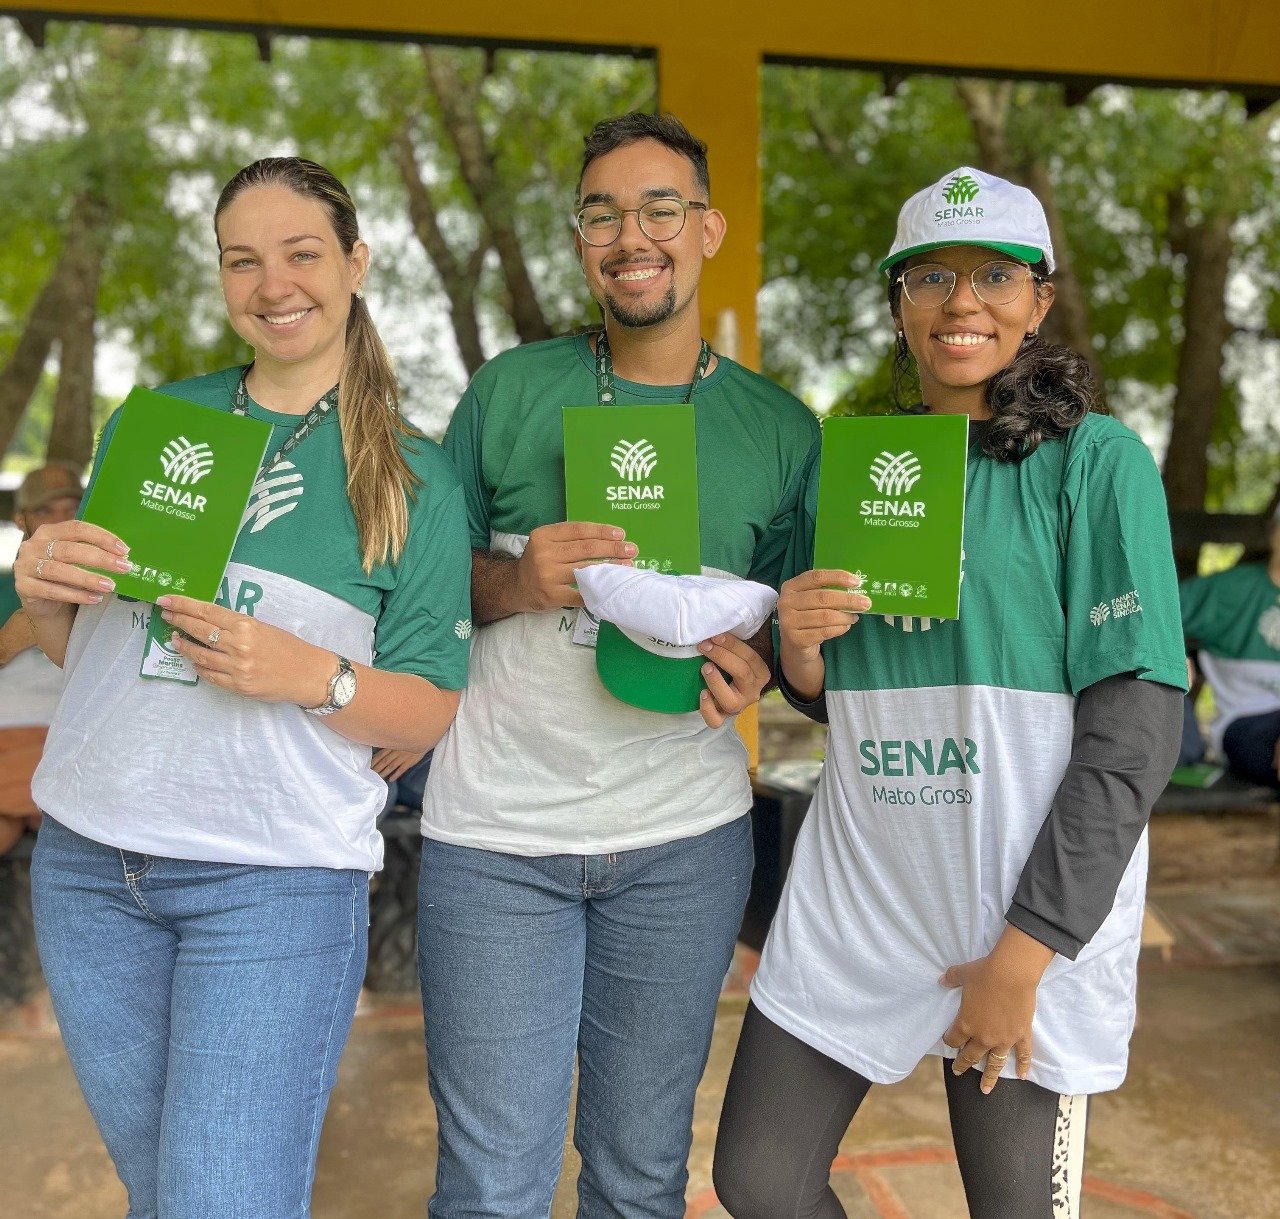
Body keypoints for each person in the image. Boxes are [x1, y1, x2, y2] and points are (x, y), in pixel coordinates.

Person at [713, 167, 1187, 1219]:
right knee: (757, 1179)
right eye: (928, 276)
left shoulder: (1094, 463)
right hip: (865, 897)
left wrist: (1025, 951)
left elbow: (1136, 729)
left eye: (991, 275)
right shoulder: (857, 466)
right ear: (896, 304)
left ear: (1037, 299)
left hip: (1017, 917)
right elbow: (846, 688)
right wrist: (799, 657)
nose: (959, 301)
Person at [14, 157, 472, 1219]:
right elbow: (90, 647)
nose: (274, 284)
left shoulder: (412, 478)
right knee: (163, 1193)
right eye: (243, 260)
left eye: (302, 254)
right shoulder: (155, 421)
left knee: (221, 1200)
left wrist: (309, 676)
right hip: (89, 871)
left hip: (269, 884)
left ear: (355, 263)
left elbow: (430, 704)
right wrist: (45, 587)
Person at [421, 112, 819, 1218]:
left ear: (706, 229)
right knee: (490, 1182)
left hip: (682, 846)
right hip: (496, 839)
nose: (630, 233)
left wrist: (761, 669)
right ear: (580, 238)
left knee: (640, 1177)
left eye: (658, 207)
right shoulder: (508, 392)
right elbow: (419, 581)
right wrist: (512, 582)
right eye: (601, 211)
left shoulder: (781, 430)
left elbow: (793, 640)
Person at [0, 463, 81, 854]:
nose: (62, 520)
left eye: (73, 506)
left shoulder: (126, 586)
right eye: (46, 511)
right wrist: (8, 642)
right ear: (22, 519)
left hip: (60, 737)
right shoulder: (4, 588)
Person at [1179, 503, 1280, 787]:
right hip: (1245, 719)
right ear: (1273, 532)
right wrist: (1176, 657)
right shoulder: (1228, 590)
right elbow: (1152, 615)